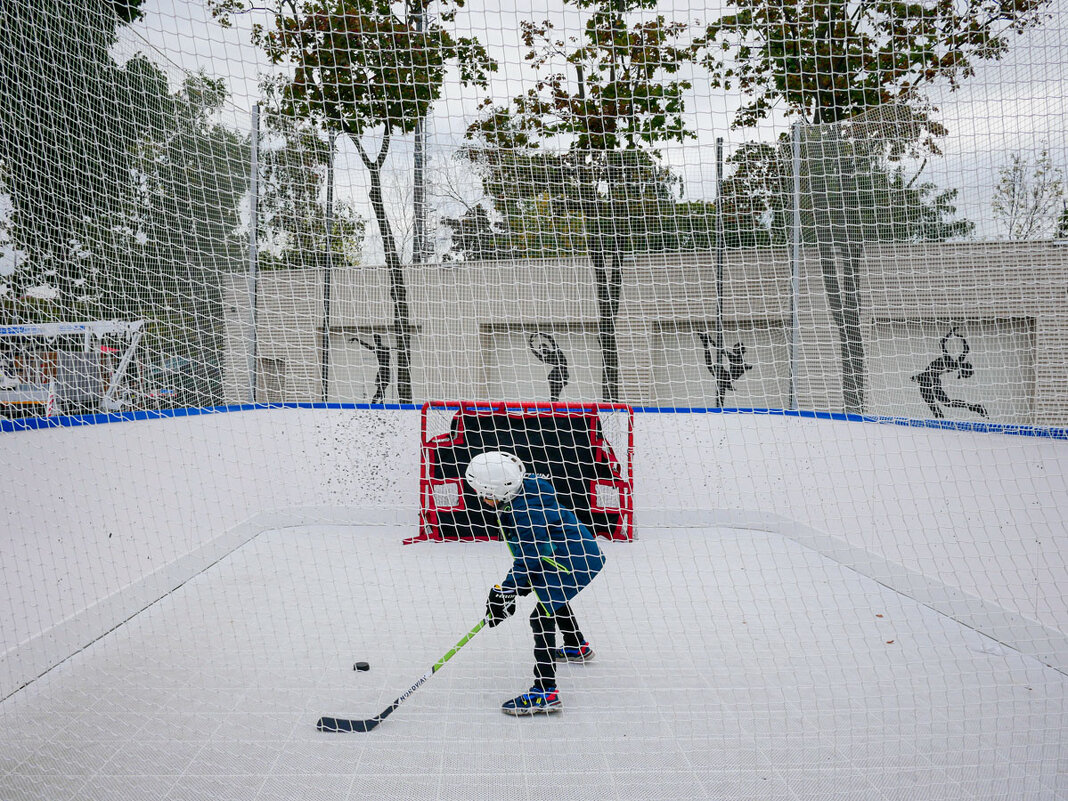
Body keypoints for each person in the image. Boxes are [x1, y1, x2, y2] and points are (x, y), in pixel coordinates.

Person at [464, 451, 606, 716]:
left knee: (540, 617)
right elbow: (534, 553)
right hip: (568, 551)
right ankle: (577, 646)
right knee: (549, 596)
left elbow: (530, 557)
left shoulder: (525, 513)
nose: (482, 499)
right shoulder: (524, 487)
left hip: (571, 561)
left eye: (484, 493)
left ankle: (546, 693)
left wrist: (507, 590)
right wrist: (517, 587)